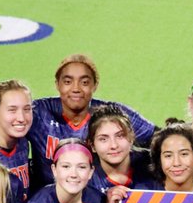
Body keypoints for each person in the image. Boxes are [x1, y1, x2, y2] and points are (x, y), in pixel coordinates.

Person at [27, 53, 154, 188]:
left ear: (95, 85)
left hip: (96, 197)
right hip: (45, 201)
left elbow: (161, 138)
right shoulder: (39, 113)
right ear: (57, 84)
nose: (76, 89)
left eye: (85, 82)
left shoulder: (111, 114)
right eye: (68, 82)